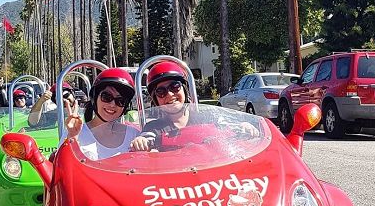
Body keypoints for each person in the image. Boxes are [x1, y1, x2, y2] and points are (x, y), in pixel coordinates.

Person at [130, 61, 258, 152]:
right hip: (175, 185)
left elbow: (227, 126)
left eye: (174, 87)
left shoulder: (207, 118)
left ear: (185, 90)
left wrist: (243, 127)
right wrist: (140, 142)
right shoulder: (154, 128)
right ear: (156, 99)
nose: (169, 94)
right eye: (161, 91)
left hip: (208, 179)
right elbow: (146, 139)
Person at [61, 68, 140, 160]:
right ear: (94, 98)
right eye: (106, 97)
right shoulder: (75, 132)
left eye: (120, 101)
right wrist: (72, 137)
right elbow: (62, 167)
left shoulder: (134, 135)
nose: (112, 104)